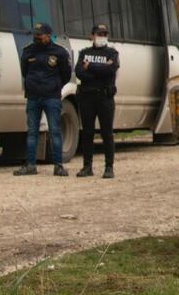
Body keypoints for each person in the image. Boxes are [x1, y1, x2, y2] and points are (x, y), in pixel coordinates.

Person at [15, 22, 72, 177]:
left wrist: (55, 86)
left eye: (40, 36)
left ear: (48, 35)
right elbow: (24, 71)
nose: (37, 38)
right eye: (35, 35)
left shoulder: (59, 52)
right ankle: (30, 165)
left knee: (55, 131)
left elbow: (66, 74)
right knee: (32, 132)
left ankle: (58, 166)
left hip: (51, 97)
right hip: (33, 97)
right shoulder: (28, 51)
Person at [74, 22, 119, 179]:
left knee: (107, 133)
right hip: (87, 97)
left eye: (104, 34)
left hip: (105, 97)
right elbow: (79, 72)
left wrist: (91, 67)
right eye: (99, 34)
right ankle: (87, 167)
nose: (102, 37)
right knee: (87, 133)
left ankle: (109, 167)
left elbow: (110, 70)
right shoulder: (84, 52)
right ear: (92, 36)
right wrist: (99, 70)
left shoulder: (112, 53)